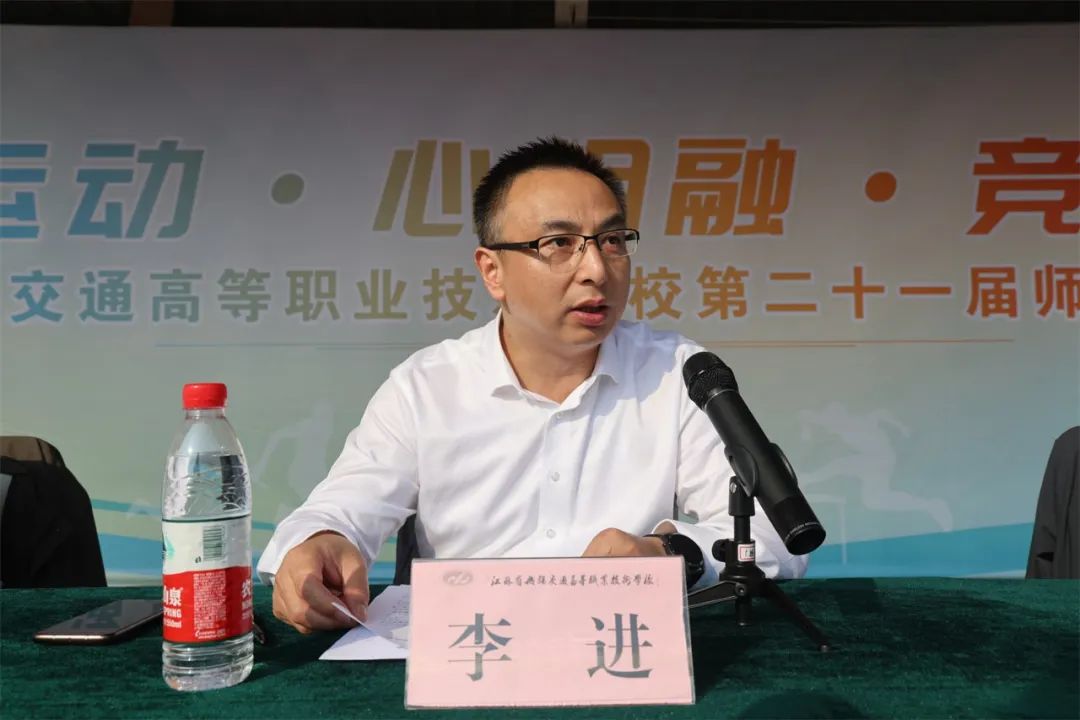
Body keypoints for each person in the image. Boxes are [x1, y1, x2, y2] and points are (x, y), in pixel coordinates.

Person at [258, 137, 807, 634]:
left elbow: (778, 534)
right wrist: (318, 543)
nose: (596, 269)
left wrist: (672, 554)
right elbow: (340, 509)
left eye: (612, 240)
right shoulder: (425, 388)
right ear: (491, 271)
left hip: (618, 649)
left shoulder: (678, 372)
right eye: (559, 243)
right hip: (469, 652)